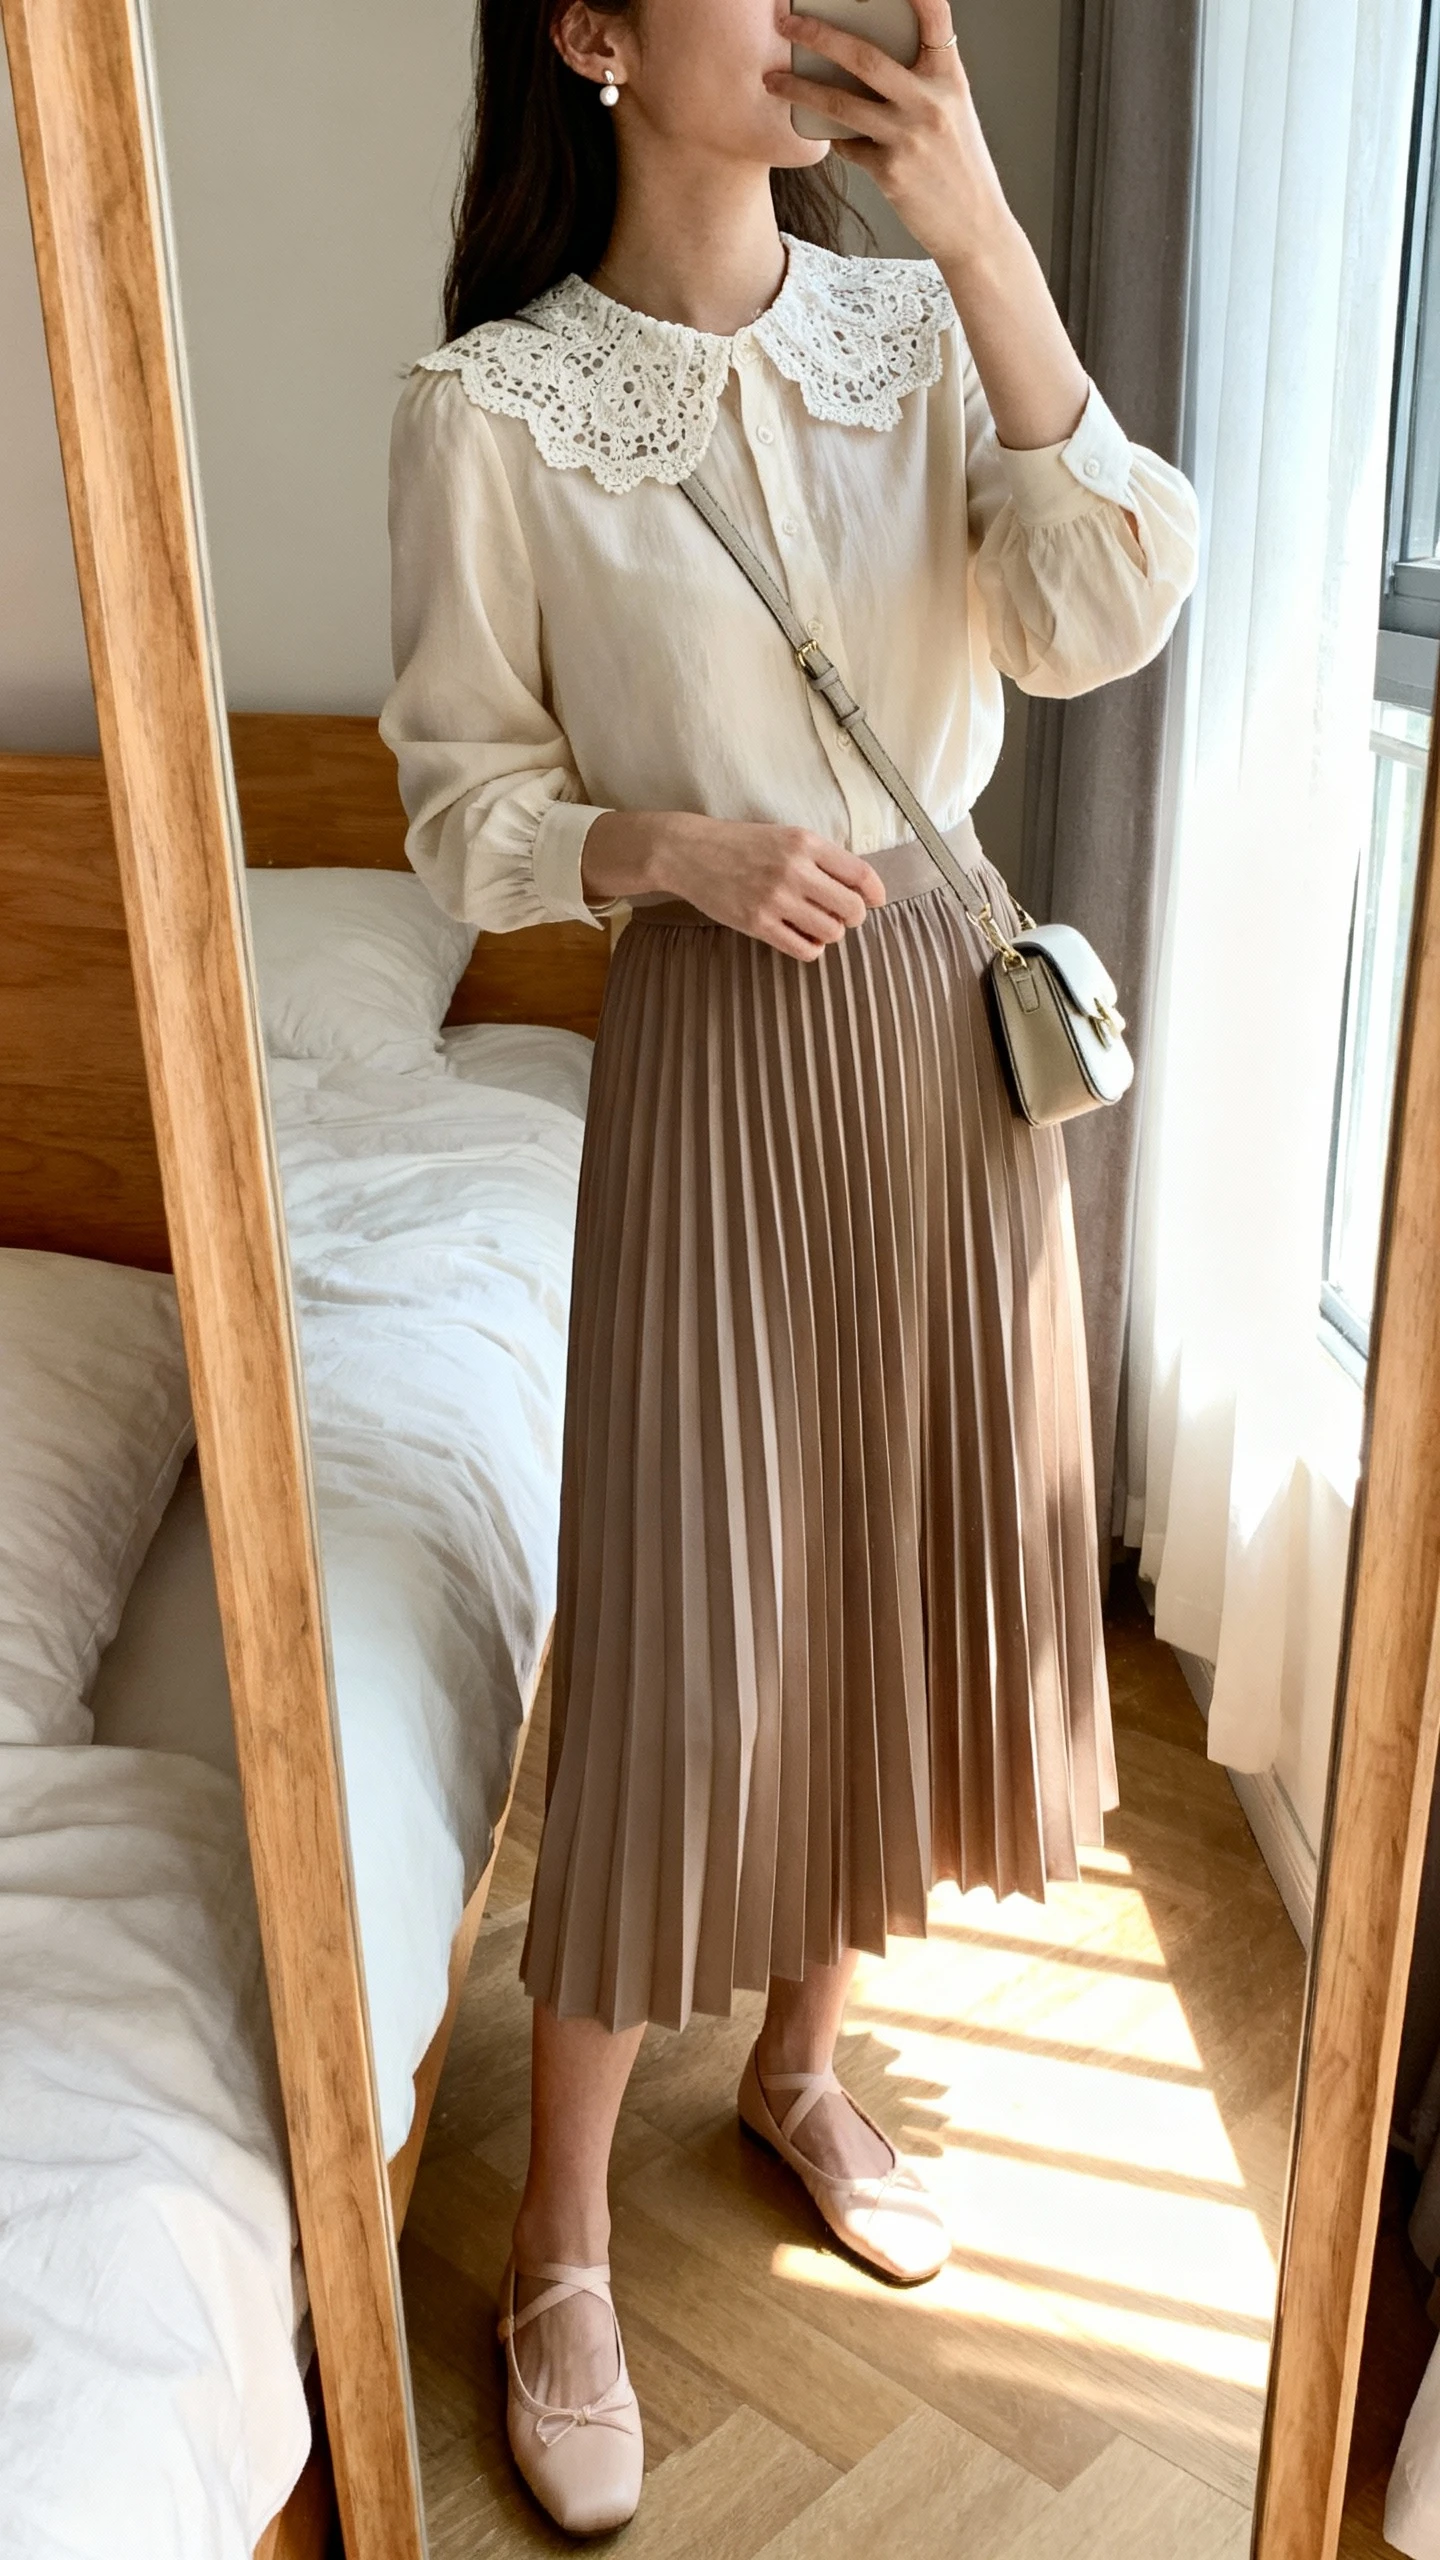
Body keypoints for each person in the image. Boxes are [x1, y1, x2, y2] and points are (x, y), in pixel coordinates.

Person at [379, 0, 1200, 2533]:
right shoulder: (493, 409)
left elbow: (1103, 608)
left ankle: (799, 2065)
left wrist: (982, 232)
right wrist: (663, 850)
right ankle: (558, 2238)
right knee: (688, 1621)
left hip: (944, 1023)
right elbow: (459, 804)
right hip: (715, 1037)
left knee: (883, 1577)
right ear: (594, 33)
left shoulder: (921, 327)